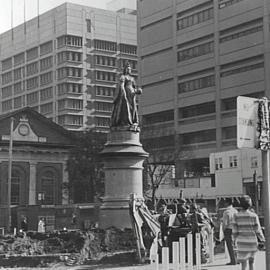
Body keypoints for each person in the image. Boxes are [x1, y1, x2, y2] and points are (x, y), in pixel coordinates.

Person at [232, 195, 265, 270]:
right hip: (252, 242)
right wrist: (262, 239)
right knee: (251, 263)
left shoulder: (236, 216)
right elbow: (258, 230)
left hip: (241, 242)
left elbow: (235, 231)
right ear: (249, 204)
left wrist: (234, 241)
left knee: (243, 264)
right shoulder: (254, 216)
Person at [110, 62, 142, 130]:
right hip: (125, 94)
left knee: (133, 109)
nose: (128, 70)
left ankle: (133, 122)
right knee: (126, 108)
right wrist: (123, 94)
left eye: (129, 69)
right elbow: (121, 86)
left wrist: (138, 90)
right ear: (125, 70)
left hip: (132, 95)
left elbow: (134, 87)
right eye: (127, 69)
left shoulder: (132, 78)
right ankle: (126, 122)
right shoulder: (123, 77)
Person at [222, 198, 238, 265]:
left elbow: (225, 223)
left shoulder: (226, 212)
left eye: (225, 202)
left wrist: (223, 230)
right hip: (235, 229)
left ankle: (233, 261)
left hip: (228, 229)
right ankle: (237, 260)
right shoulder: (235, 211)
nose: (224, 204)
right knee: (235, 245)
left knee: (230, 246)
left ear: (227, 203)